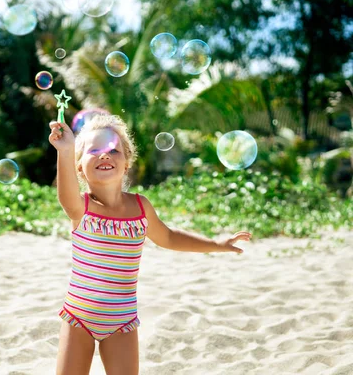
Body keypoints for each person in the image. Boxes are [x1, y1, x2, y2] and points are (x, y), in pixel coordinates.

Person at [48, 114, 251, 375]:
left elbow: (168, 237)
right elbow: (66, 198)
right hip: (79, 318)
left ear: (127, 163)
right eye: (94, 150)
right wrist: (65, 150)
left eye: (113, 150)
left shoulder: (140, 207)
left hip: (121, 322)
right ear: (79, 168)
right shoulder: (82, 208)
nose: (104, 155)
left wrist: (216, 243)